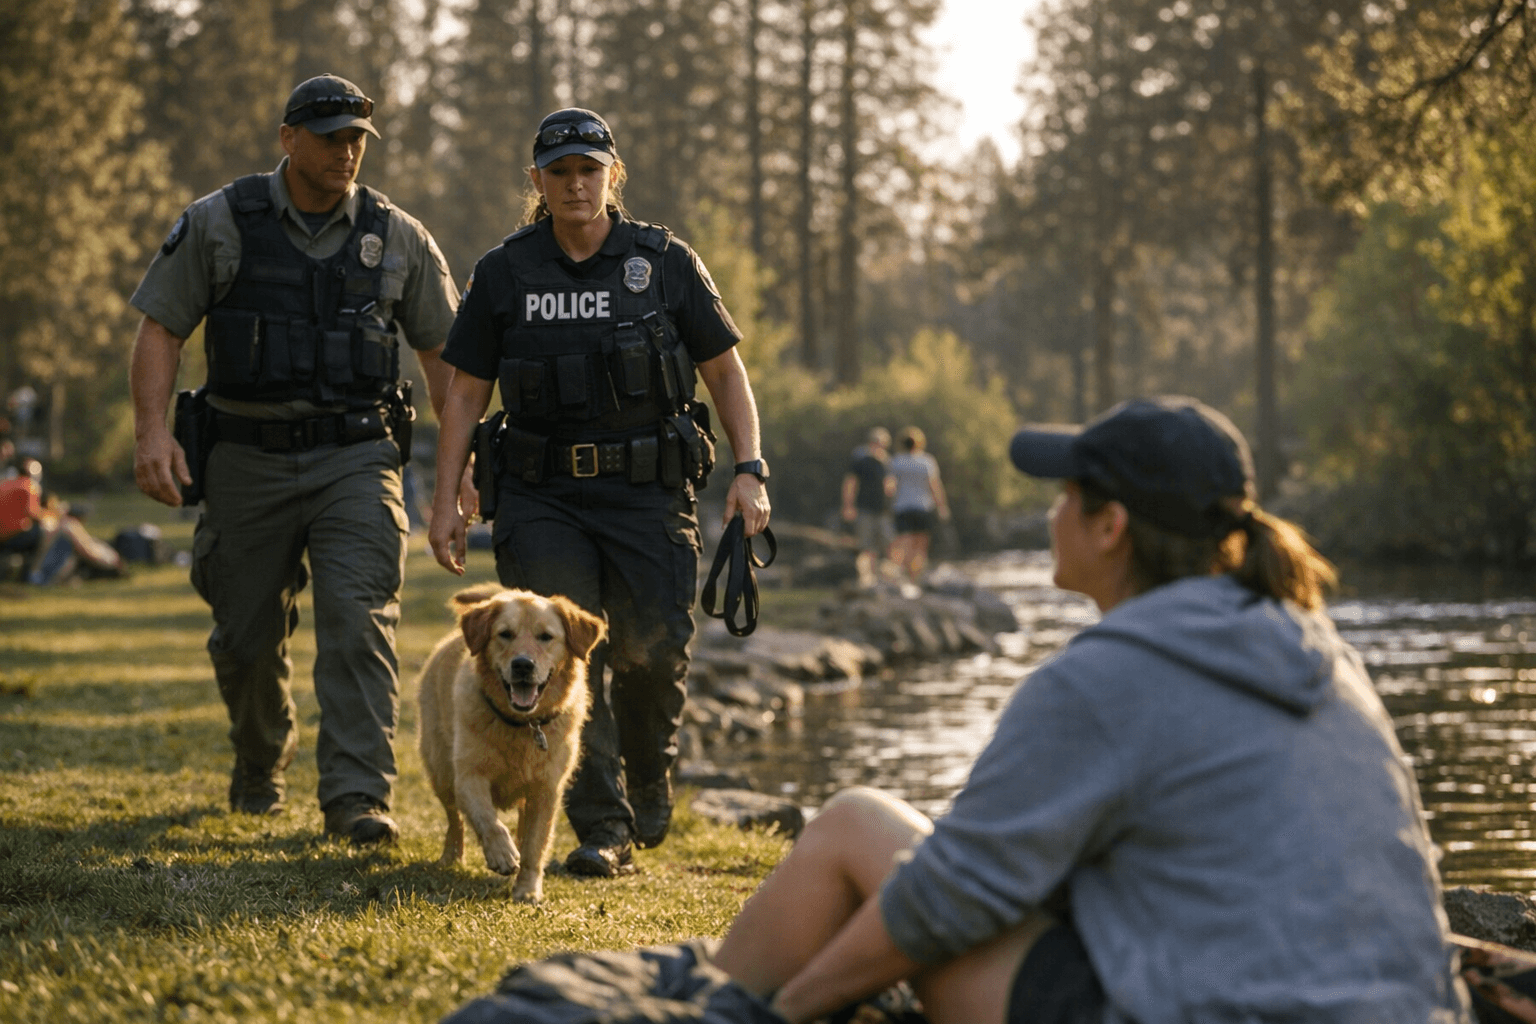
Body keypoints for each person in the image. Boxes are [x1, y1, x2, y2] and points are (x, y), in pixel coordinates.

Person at [712, 396, 1471, 1023]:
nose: (1052, 514)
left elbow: (946, 899)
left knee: (853, 826)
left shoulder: (1103, 681)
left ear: (1111, 528)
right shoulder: (1324, 654)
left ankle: (715, 1010)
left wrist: (794, 1009)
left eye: (1067, 495)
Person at [428, 108, 772, 879]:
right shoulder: (505, 272)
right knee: (560, 660)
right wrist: (448, 497)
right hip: (542, 496)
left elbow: (725, 373)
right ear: (538, 183)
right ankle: (602, 827)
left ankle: (650, 771)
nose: (575, 184)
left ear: (612, 175)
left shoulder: (664, 261)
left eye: (589, 169)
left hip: (647, 494)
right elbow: (463, 396)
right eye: (560, 172)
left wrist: (751, 470)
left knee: (651, 656)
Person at [128, 74, 468, 843]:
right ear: (288, 139)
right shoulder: (220, 224)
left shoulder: (400, 236)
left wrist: (458, 471)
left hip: (357, 459)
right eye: (330, 136)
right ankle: (259, 757)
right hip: (245, 458)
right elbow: (159, 330)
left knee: (358, 620)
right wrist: (153, 434)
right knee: (244, 638)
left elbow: (445, 360)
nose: (347, 151)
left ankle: (357, 799)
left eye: (357, 138)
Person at [886, 426, 949, 582]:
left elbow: (889, 487)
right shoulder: (927, 461)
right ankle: (915, 577)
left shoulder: (896, 462)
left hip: (902, 508)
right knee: (920, 546)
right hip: (923, 507)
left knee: (905, 543)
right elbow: (935, 486)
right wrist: (942, 507)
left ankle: (905, 576)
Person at [840, 427, 894, 588]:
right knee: (865, 545)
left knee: (885, 543)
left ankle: (881, 579)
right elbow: (850, 484)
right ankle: (865, 580)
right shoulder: (861, 461)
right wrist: (848, 506)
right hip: (864, 508)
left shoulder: (886, 462)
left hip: (882, 510)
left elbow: (889, 485)